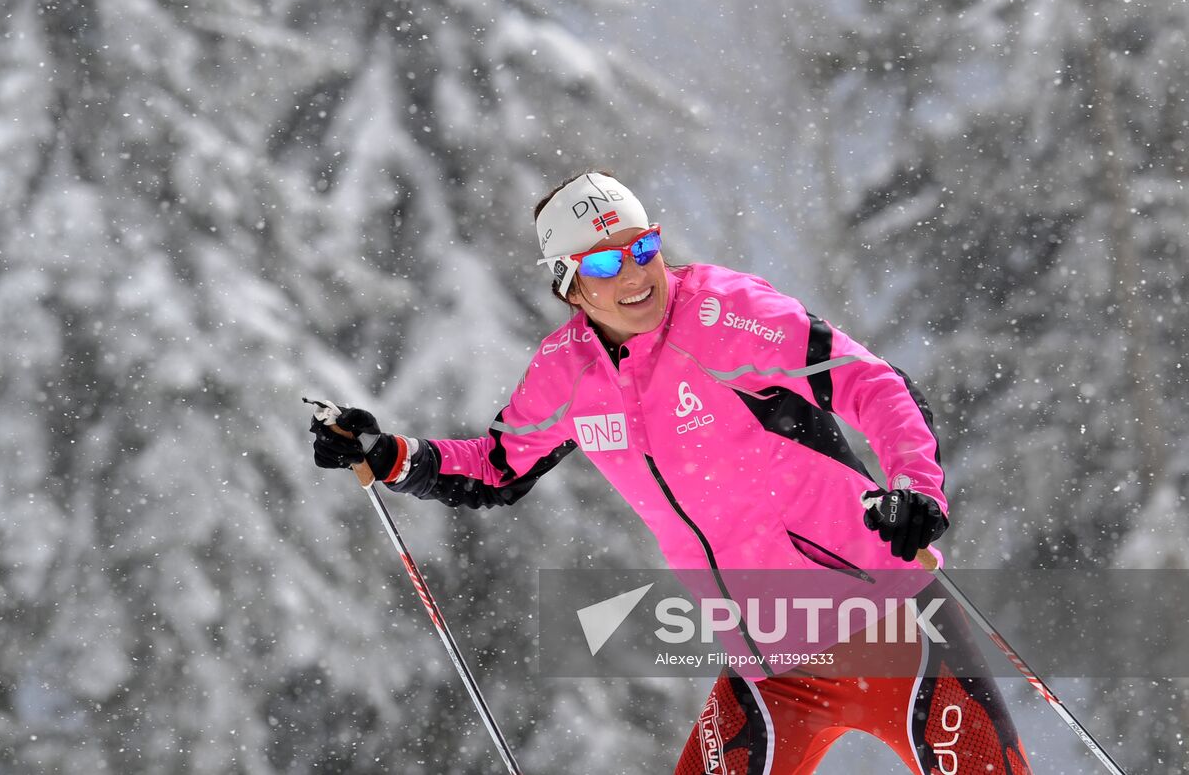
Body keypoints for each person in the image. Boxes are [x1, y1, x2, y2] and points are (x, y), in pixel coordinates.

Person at [310, 172, 1032, 774]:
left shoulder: (730, 316)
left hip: (894, 627)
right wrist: (392, 456)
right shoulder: (567, 374)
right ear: (567, 286)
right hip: (769, 670)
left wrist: (917, 489)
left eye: (642, 248)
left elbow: (874, 383)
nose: (631, 274)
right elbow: (497, 467)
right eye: (602, 264)